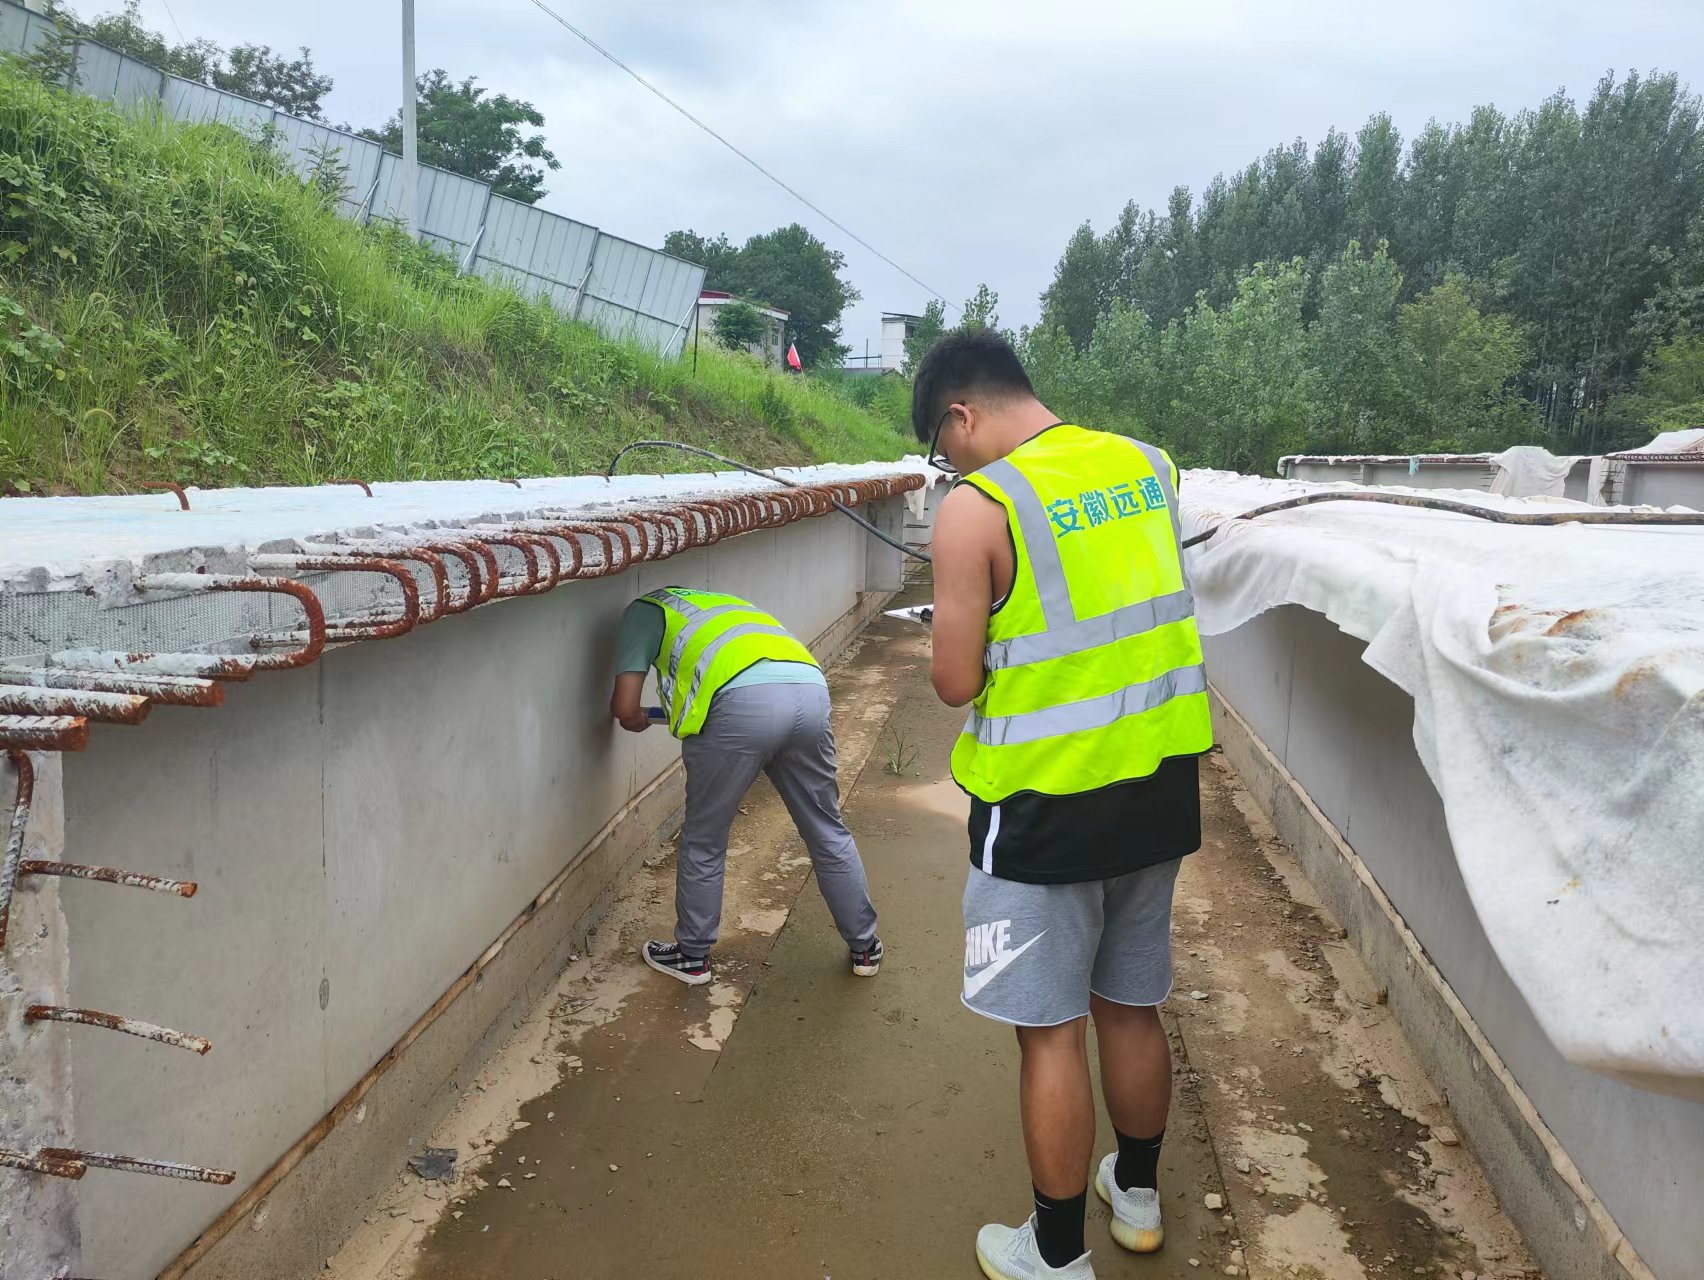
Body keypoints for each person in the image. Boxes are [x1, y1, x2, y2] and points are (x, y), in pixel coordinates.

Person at [914, 331, 1212, 1280]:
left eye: (940, 445)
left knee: (1050, 1033)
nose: (946, 465)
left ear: (961, 414)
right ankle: (1137, 1198)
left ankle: (1052, 1254)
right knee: (1129, 1007)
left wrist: (961, 612)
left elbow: (955, 682)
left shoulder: (977, 509)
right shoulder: (1147, 466)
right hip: (1158, 786)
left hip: (1045, 806)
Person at [610, 586, 883, 986]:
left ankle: (693, 956)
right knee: (827, 828)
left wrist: (634, 717)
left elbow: (625, 706)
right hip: (810, 692)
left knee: (705, 839)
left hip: (740, 705)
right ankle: (865, 946)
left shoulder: (644, 609)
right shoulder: (724, 606)